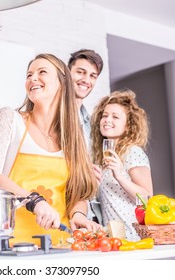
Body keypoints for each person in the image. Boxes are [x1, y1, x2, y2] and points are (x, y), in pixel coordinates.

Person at [0, 53, 101, 246]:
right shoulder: (10, 119)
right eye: (29, 75)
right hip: (11, 243)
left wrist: (79, 214)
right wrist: (35, 201)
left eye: (41, 72)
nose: (32, 79)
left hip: (61, 244)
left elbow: (77, 192)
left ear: (62, 83)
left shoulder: (73, 136)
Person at [90, 89, 154, 240]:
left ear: (128, 126)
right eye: (104, 115)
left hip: (133, 236)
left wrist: (120, 176)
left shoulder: (133, 152)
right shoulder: (101, 156)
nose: (107, 120)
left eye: (115, 117)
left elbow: (147, 199)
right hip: (114, 236)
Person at [68, 49, 104, 224]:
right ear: (68, 73)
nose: (86, 80)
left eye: (92, 76)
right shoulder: (52, 115)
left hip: (91, 212)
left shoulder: (89, 122)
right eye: (80, 72)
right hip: (65, 212)